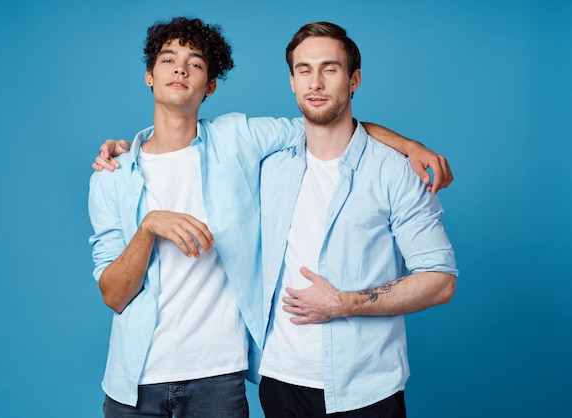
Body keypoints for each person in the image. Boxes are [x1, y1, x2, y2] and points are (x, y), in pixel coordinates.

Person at [89, 16, 453, 418]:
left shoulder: (240, 141)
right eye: (168, 59)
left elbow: (327, 120)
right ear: (149, 76)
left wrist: (409, 146)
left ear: (210, 85)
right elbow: (113, 294)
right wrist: (149, 224)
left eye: (195, 62)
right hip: (157, 381)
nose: (179, 69)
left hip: (232, 377)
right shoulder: (115, 176)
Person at [256, 22, 458, 417]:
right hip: (279, 382)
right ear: (292, 81)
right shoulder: (268, 165)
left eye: (330, 69)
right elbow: (192, 146)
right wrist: (126, 152)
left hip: (365, 388)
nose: (315, 82)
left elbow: (441, 280)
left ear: (354, 80)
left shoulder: (395, 172)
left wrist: (343, 303)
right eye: (304, 70)